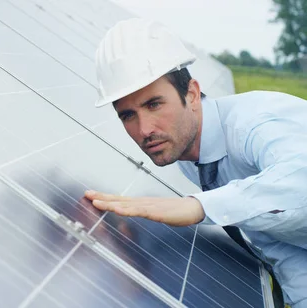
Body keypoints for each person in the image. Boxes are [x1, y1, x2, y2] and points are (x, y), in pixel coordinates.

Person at [84, 17, 307, 308]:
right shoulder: (188, 156)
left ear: (191, 94)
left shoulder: (252, 125)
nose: (144, 130)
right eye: (127, 115)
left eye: (154, 104)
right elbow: (277, 241)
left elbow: (299, 179)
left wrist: (200, 206)